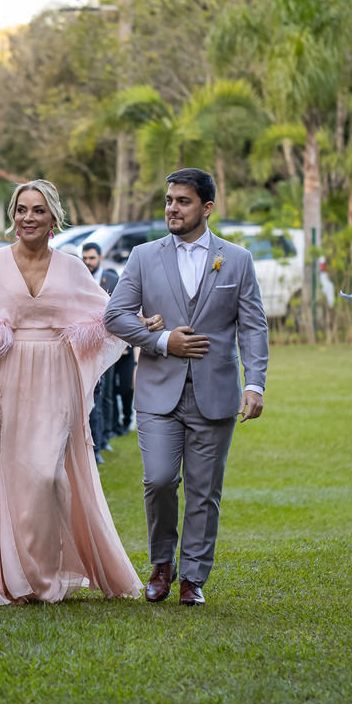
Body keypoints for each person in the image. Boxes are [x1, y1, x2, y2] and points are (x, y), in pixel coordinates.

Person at [0, 179, 143, 605]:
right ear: (13, 216)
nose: (28, 217)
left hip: (56, 376)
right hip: (5, 377)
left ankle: (50, 575)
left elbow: (106, 315)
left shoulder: (71, 266)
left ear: (53, 219)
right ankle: (19, 577)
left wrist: (143, 325)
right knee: (14, 477)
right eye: (22, 209)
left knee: (49, 476)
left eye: (38, 210)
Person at [105, 168, 269, 607]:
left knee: (203, 489)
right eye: (169, 200)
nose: (172, 209)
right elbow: (115, 315)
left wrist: (254, 383)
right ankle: (161, 564)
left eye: (183, 201)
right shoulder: (142, 256)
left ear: (207, 207)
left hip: (216, 393)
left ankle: (192, 577)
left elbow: (253, 326)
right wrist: (161, 340)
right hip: (158, 391)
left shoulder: (236, 260)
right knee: (158, 480)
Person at [83, 242, 119, 463]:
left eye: (91, 259)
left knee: (103, 397)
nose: (88, 263)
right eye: (84, 259)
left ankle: (101, 441)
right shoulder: (77, 280)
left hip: (107, 346)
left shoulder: (112, 281)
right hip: (83, 350)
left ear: (100, 258)